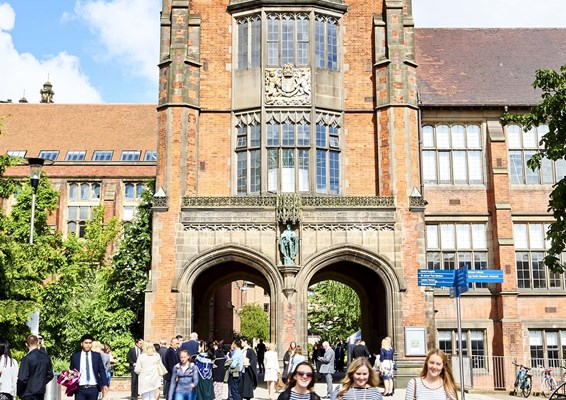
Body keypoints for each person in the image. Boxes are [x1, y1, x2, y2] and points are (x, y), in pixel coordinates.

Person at [69, 334, 108, 400]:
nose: (88, 345)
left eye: (90, 343)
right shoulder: (75, 357)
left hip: (93, 387)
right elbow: (72, 371)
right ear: (82, 344)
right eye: (86, 343)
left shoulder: (97, 356)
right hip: (80, 388)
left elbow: (101, 370)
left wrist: (105, 384)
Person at [17, 335, 54, 400]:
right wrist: (41, 383)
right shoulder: (46, 358)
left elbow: (22, 378)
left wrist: (18, 391)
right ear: (37, 343)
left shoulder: (26, 359)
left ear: (26, 344)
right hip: (40, 393)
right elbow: (50, 375)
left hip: (27, 393)